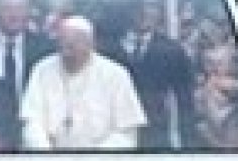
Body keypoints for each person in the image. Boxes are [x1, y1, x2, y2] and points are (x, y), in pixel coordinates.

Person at [20, 15, 147, 150]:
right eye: (63, 43)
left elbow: (126, 133)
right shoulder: (42, 70)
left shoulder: (116, 75)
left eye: (73, 44)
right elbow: (32, 123)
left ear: (90, 43)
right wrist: (49, 158)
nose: (66, 51)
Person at [116, 0, 195, 148]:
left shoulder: (172, 50)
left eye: (151, 6)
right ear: (130, 10)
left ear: (159, 12)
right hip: (118, 131)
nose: (145, 12)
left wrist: (187, 146)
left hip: (156, 134)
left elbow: (185, 100)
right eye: (140, 6)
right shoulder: (111, 48)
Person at [0, 0, 55, 107]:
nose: (13, 15)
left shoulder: (45, 48)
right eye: (7, 8)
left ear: (28, 12)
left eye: (19, 8)